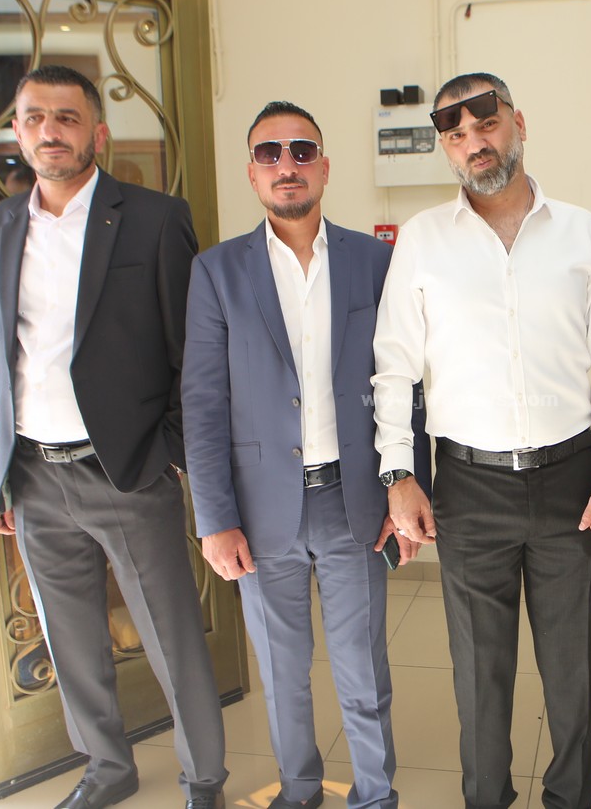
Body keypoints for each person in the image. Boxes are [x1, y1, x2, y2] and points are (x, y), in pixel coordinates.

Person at [371, 73, 591, 809]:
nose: (474, 143)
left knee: (572, 671)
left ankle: (570, 799)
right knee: (480, 674)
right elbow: (393, 366)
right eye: (456, 135)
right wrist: (399, 473)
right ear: (446, 148)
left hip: (572, 479)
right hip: (467, 486)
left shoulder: (581, 231)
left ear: (519, 123)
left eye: (486, 125)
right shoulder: (423, 240)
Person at [0, 65, 227, 809]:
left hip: (126, 469)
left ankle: (203, 777)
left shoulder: (154, 219)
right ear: (17, 133)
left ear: (98, 133)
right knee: (71, 638)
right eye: (34, 117)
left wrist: (171, 455)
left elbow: (192, 353)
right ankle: (107, 767)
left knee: (172, 635)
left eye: (67, 117)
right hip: (33, 473)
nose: (50, 131)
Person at [182, 101, 429, 809]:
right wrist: (213, 519)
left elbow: (407, 383)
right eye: (269, 153)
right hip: (259, 510)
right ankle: (298, 787)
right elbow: (203, 402)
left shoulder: (374, 261)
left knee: (362, 666)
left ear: (324, 166)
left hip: (356, 500)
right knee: (282, 667)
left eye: (300, 150)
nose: (286, 165)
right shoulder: (217, 271)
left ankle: (374, 793)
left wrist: (405, 487)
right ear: (252, 173)